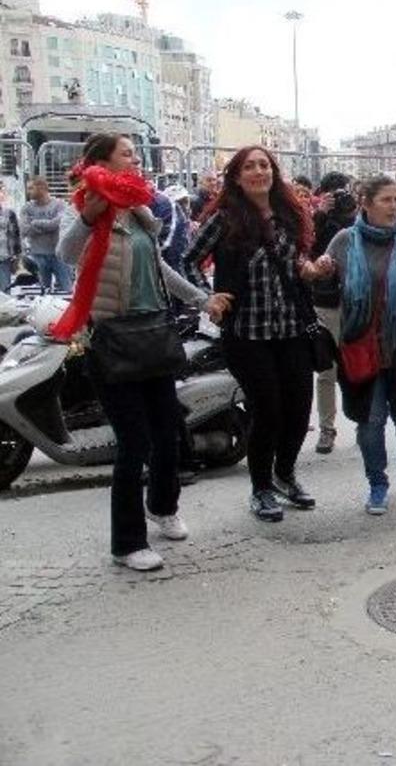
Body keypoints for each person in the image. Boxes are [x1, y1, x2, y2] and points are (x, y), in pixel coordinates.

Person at [57, 133, 231, 571]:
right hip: (112, 339)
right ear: (101, 162)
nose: (135, 158)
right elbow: (66, 253)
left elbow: (161, 268)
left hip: (153, 332)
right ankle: (127, 542)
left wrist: (200, 298)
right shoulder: (86, 203)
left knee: (171, 428)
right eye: (126, 153)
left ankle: (162, 506)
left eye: (135, 152)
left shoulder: (138, 209)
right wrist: (87, 218)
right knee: (134, 442)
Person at [184, 146, 318, 523]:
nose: (259, 171)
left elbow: (297, 262)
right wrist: (205, 297)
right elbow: (188, 259)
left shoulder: (290, 215)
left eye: (264, 165)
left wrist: (309, 269)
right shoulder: (225, 218)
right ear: (237, 177)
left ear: (274, 172)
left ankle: (285, 473)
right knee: (268, 411)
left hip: (291, 327)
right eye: (250, 167)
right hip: (247, 332)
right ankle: (261, 488)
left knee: (298, 410)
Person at [308, 175, 396, 514]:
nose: (395, 206)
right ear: (365, 202)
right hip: (360, 346)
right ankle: (377, 482)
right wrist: (320, 271)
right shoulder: (342, 241)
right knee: (371, 421)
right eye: (387, 200)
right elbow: (323, 281)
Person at [310, 172, 358, 454]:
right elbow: (306, 251)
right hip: (326, 302)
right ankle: (327, 428)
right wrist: (318, 216)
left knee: (359, 365)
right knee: (326, 369)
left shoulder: (358, 220)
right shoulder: (317, 221)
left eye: (344, 192)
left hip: (357, 302)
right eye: (333, 194)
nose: (340, 197)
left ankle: (363, 421)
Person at [20, 176, 74, 292]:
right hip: (38, 255)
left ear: (42, 188)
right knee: (42, 293)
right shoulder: (27, 208)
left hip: (59, 255)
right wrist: (48, 226)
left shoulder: (60, 204)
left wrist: (35, 223)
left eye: (31, 188)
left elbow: (57, 224)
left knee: (66, 290)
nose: (28, 192)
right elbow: (24, 229)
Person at [0, 193, 21, 292]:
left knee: (5, 293)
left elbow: (16, 236)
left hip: (4, 259)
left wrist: (16, 257)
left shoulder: (9, 213)